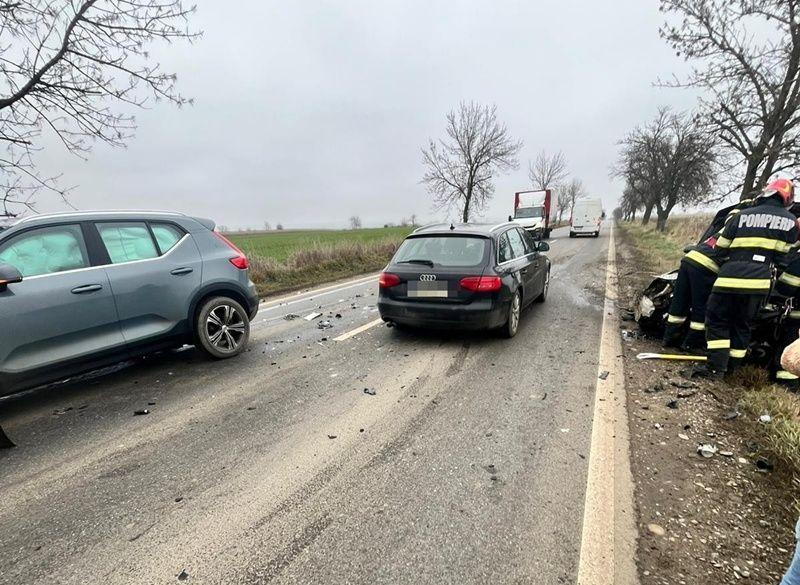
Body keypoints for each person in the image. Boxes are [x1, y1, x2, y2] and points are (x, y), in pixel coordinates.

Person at [696, 178, 799, 378]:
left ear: (766, 193)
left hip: (728, 279)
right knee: (742, 325)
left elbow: (720, 248)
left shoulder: (741, 215)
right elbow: (784, 258)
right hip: (759, 284)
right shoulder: (791, 222)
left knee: (717, 322)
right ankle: (733, 369)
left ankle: (716, 368)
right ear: (787, 198)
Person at [663, 198, 756, 350]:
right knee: (701, 308)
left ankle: (669, 340)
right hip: (706, 267)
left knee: (679, 304)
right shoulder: (747, 233)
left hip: (690, 259)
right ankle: (691, 345)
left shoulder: (730, 224)